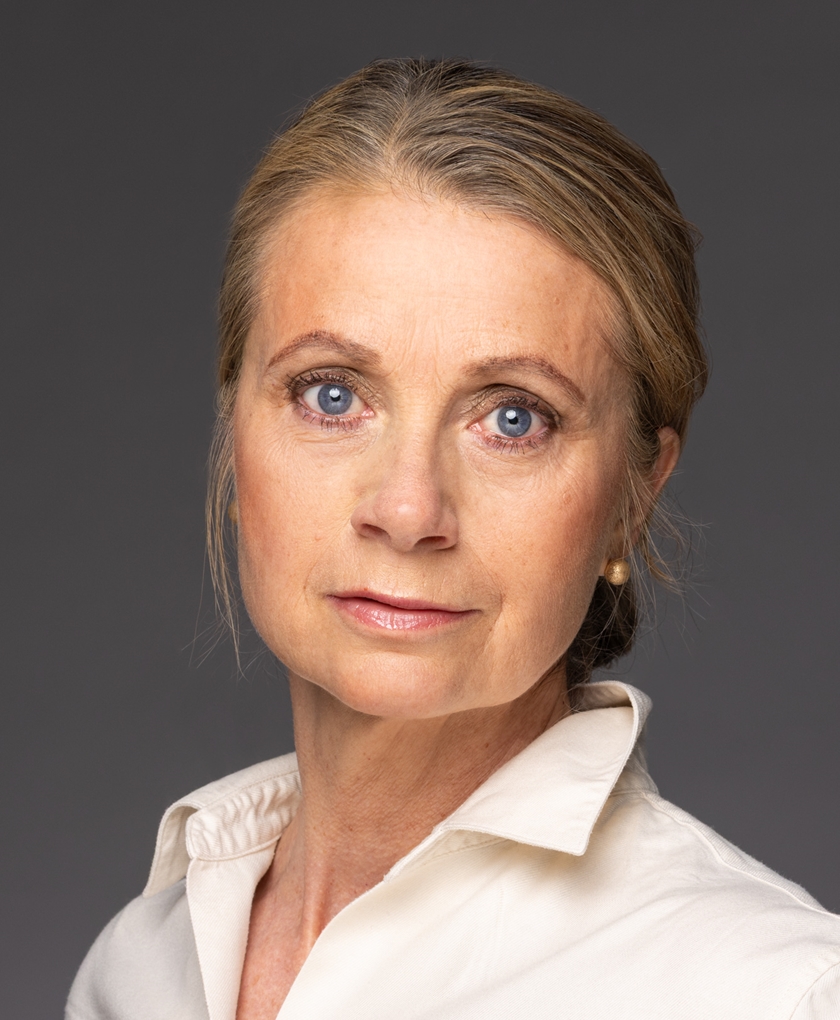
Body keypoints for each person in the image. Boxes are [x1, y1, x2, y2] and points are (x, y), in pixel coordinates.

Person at [66, 58, 840, 1020]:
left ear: (633, 498)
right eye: (331, 394)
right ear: (235, 438)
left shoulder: (776, 992)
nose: (406, 510)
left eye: (515, 418)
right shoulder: (137, 969)